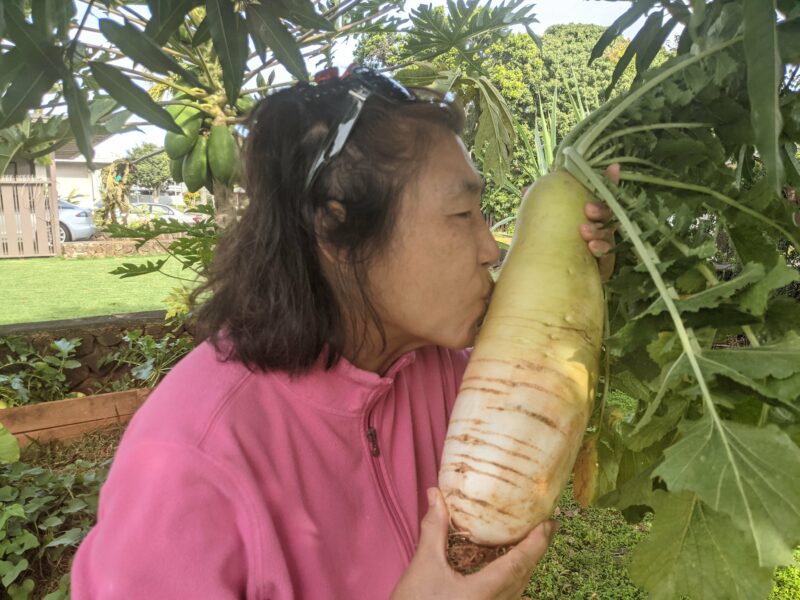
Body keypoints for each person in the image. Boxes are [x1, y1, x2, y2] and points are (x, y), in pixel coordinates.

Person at [70, 66, 616, 599]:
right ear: (336, 227)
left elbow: (541, 376)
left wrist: (574, 274)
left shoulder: (437, 371)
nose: (490, 249)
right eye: (462, 213)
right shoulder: (191, 458)